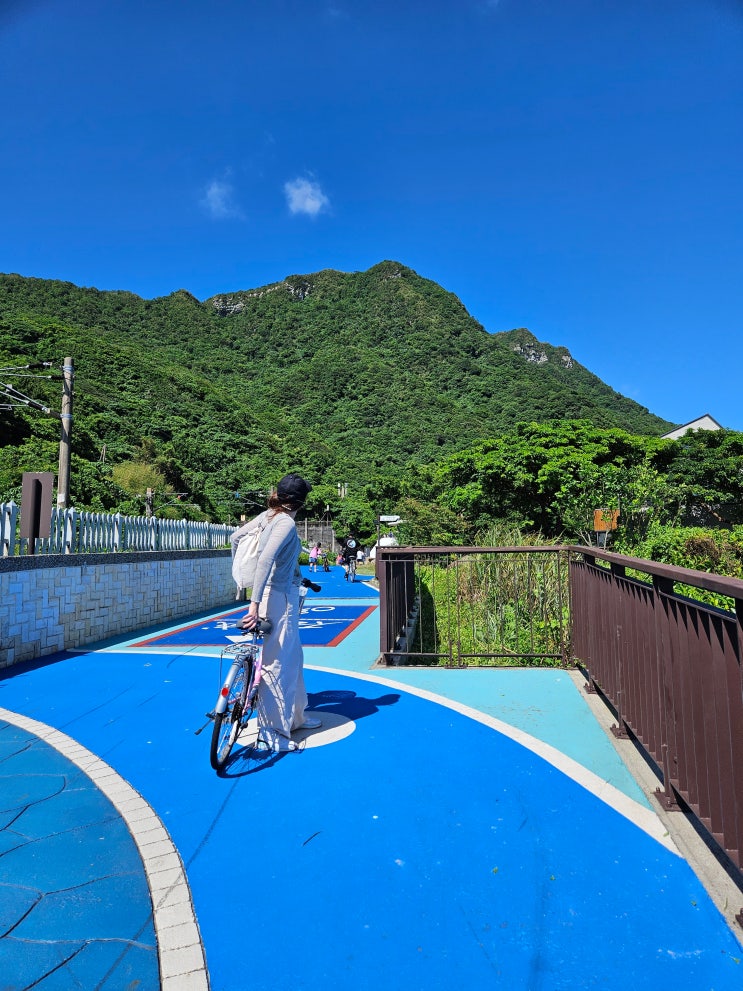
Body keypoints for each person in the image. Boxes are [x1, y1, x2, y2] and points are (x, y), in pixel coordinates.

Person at [233, 473, 321, 752]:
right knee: (277, 664)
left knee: (293, 657)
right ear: (301, 502)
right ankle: (271, 732)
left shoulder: (267, 516)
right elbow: (266, 559)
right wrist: (254, 603)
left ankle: (296, 717)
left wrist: (242, 582)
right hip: (279, 598)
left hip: (280, 594)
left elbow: (236, 538)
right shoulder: (284, 522)